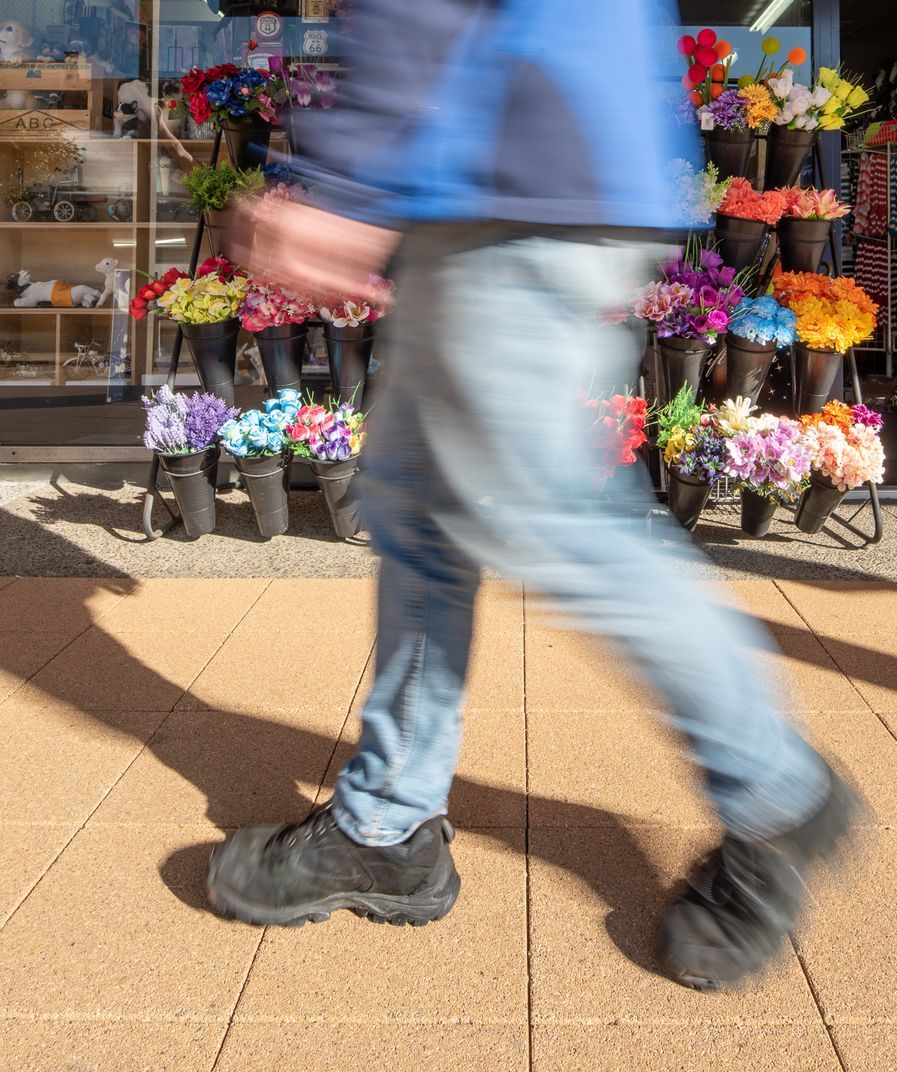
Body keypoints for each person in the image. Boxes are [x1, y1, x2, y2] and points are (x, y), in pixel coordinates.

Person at [207, 0, 857, 989]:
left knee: (545, 516)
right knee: (419, 512)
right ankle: (387, 820)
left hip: (515, 170)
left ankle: (777, 787)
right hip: (500, 166)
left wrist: (345, 178)